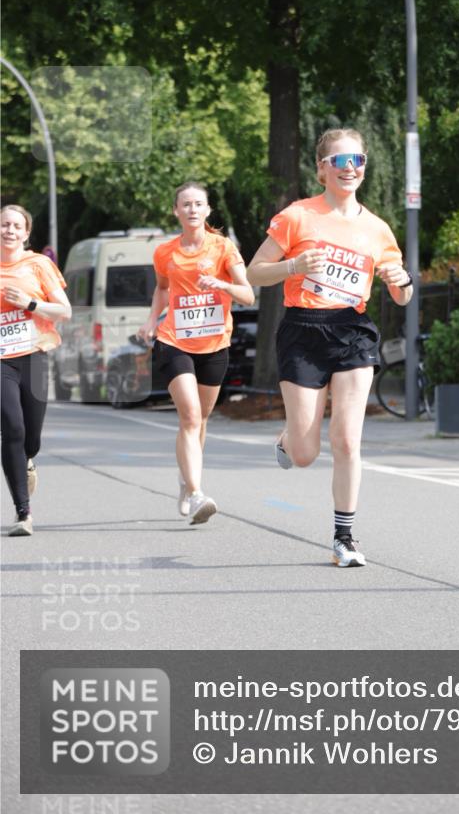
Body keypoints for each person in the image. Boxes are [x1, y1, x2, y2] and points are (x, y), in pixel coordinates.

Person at [247, 129, 413, 567]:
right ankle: (290, 438)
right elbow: (254, 272)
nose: (350, 168)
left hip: (352, 331)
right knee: (305, 455)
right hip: (303, 330)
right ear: (322, 168)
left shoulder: (377, 229)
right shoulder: (297, 217)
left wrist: (403, 282)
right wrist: (293, 265)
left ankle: (345, 537)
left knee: (346, 439)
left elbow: (402, 294)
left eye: (357, 160)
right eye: (340, 161)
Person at [138, 182, 255, 525]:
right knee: (189, 417)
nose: (192, 209)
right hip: (175, 341)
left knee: (201, 420)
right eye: (186, 204)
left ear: (207, 210)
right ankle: (197, 492)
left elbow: (247, 294)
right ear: (176, 211)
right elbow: (162, 289)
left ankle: (186, 480)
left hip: (214, 345)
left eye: (198, 204)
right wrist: (151, 320)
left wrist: (222, 284)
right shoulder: (165, 252)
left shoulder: (223, 248)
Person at [1, 204, 72, 536]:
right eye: (4, 225)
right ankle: (23, 512)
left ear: (26, 233)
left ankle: (28, 459)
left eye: (17, 226)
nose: (10, 231)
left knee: (31, 437)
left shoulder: (39, 264)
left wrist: (29, 303)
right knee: (12, 428)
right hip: (2, 360)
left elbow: (64, 311)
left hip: (34, 355)